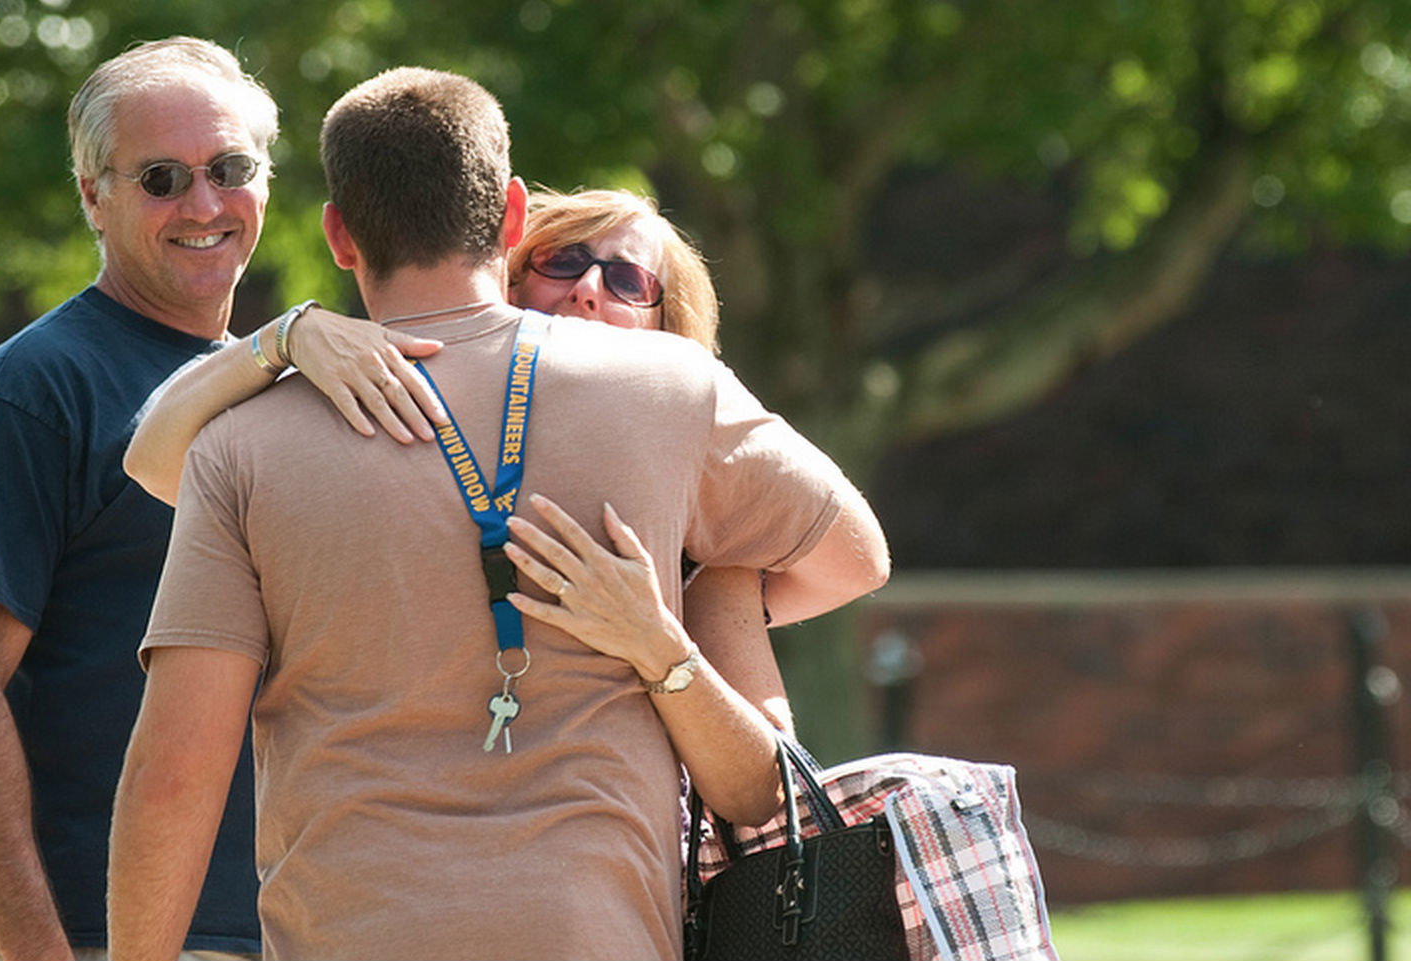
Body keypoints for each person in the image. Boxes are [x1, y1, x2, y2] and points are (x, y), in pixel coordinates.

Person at [107, 67, 887, 960]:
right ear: (514, 219)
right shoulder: (674, 390)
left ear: (337, 235)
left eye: (625, 277)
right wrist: (687, 587)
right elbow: (855, 556)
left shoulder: (241, 445)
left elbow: (174, 776)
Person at [0, 38, 443, 961]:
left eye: (229, 168)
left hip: (300, 928)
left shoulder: (281, 392)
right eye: (160, 177)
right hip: (105, 936)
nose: (203, 205)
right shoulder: (28, 396)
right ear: (93, 194)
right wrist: (38, 949)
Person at [123, 185, 886, 807]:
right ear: (510, 273)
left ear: (667, 335)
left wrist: (654, 629)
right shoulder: (388, 389)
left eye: (628, 282)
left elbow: (772, 777)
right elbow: (154, 461)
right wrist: (286, 336)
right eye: (565, 260)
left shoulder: (708, 551)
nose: (588, 289)